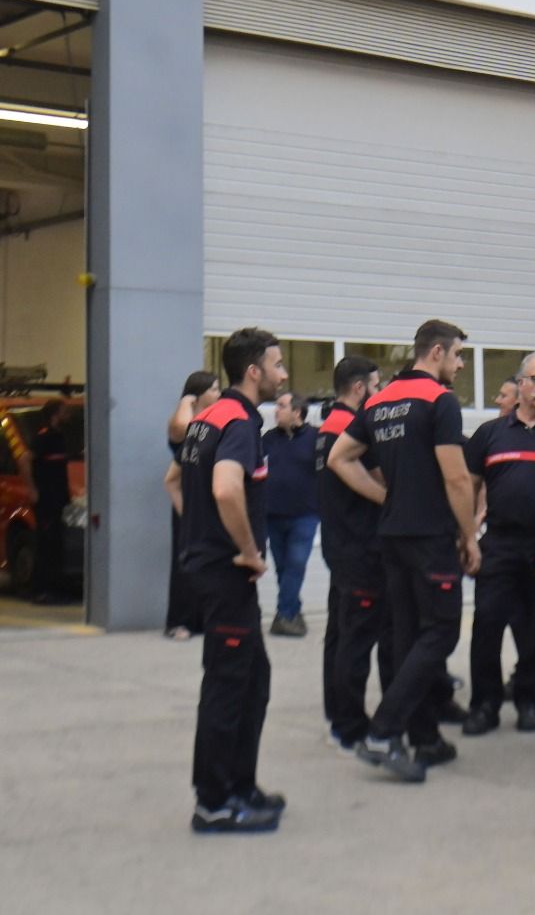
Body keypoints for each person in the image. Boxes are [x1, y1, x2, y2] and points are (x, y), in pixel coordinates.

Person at [329, 319, 479, 783]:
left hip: (392, 537)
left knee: (409, 637)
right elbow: (456, 477)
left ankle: (425, 738)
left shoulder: (379, 399)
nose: (458, 365)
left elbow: (340, 457)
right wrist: (470, 535)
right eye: (457, 356)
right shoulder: (440, 400)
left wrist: (385, 500)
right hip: (430, 538)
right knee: (440, 634)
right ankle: (384, 731)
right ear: (435, 352)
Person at [178, 327, 288, 833]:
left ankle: (240, 784)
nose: (283, 374)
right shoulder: (240, 421)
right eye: (278, 364)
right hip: (226, 571)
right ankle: (215, 803)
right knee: (228, 685)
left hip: (209, 567)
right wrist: (248, 550)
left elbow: (182, 481)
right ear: (253, 371)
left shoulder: (207, 417)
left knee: (253, 681)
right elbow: (226, 490)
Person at [460, 353, 535, 735]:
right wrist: (467, 535)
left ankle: (529, 701)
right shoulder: (490, 433)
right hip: (500, 544)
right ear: (520, 384)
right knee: (487, 624)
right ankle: (485, 705)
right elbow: (469, 486)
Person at [316, 356, 395, 753]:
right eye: (377, 387)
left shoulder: (326, 426)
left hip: (338, 544)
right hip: (360, 548)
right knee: (357, 639)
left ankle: (337, 715)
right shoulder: (352, 429)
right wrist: (389, 498)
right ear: (361, 388)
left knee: (340, 634)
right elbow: (378, 478)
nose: (380, 395)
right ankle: (350, 725)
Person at [164, 372, 221, 639]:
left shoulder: (214, 424)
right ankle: (179, 622)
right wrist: (187, 400)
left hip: (210, 503)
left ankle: (202, 619)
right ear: (198, 394)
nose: (219, 394)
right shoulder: (184, 424)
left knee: (209, 564)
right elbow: (181, 428)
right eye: (214, 389)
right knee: (184, 563)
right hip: (186, 503)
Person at [263, 392, 320, 637]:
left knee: (296, 563)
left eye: (282, 406)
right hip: (273, 513)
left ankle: (284, 615)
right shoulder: (268, 439)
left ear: (297, 412)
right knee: (282, 567)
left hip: (305, 514)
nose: (276, 411)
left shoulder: (316, 439)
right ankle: (293, 610)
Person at [28, 399, 72, 602]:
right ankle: (40, 590)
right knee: (45, 544)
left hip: (58, 499)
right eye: (64, 410)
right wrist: (32, 489)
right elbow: (24, 459)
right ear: (56, 413)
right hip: (45, 499)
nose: (67, 413)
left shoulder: (60, 436)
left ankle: (55, 588)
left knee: (56, 544)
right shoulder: (43, 437)